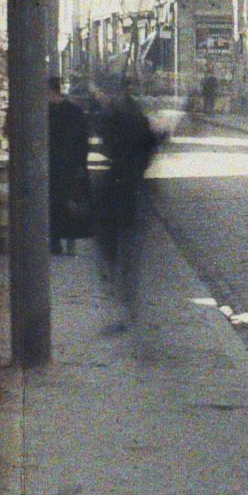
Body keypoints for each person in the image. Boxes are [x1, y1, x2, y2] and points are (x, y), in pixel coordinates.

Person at [94, 78, 162, 324]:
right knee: (127, 255)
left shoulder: (117, 116)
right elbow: (150, 145)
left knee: (114, 254)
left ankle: (121, 309)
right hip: (132, 191)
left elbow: (112, 144)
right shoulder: (133, 114)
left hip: (119, 191)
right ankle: (126, 307)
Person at [46, 77, 92, 256]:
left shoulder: (70, 112)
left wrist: (80, 166)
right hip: (58, 166)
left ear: (52, 91)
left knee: (68, 204)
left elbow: (82, 142)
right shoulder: (72, 112)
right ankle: (57, 242)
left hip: (67, 167)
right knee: (58, 204)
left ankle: (67, 243)